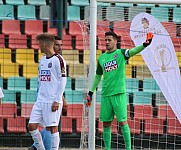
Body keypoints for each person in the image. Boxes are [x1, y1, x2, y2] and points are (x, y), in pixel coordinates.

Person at [86, 31, 154, 150]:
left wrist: (145, 44)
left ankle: (128, 148)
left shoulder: (121, 53)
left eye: (109, 40)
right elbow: (97, 76)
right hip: (106, 95)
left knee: (122, 122)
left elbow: (133, 51)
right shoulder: (101, 58)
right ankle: (107, 148)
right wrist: (91, 92)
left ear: (115, 41)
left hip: (119, 94)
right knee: (106, 123)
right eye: (105, 40)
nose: (106, 42)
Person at [28, 33, 67, 150]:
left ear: (44, 44)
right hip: (40, 100)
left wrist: (57, 100)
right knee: (31, 126)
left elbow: (62, 81)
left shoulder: (58, 60)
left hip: (52, 100)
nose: (38, 47)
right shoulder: (42, 60)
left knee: (52, 128)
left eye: (39, 44)